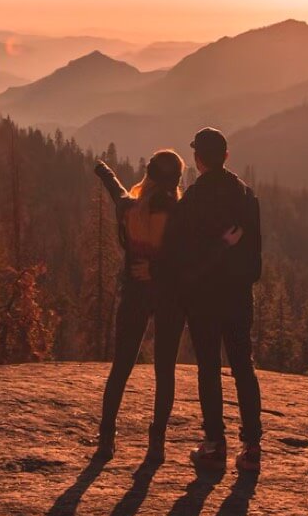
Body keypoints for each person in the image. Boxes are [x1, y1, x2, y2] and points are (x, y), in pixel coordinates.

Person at [160, 127, 264, 474]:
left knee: (208, 368)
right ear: (226, 157)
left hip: (204, 299)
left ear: (198, 159)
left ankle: (214, 445)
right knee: (243, 368)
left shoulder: (193, 199)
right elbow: (255, 258)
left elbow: (179, 253)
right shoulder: (246, 196)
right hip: (238, 296)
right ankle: (251, 448)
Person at [92, 151, 188, 461]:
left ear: (148, 176)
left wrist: (103, 170)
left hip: (135, 294)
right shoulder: (179, 215)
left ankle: (106, 437)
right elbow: (185, 260)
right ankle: (156, 442)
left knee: (121, 367)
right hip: (170, 297)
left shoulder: (129, 208)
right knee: (165, 371)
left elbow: (116, 188)